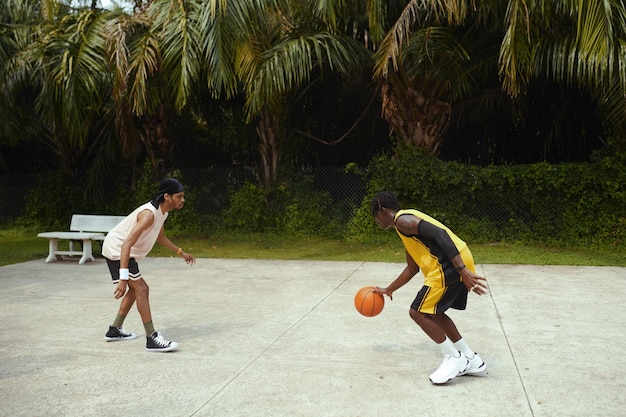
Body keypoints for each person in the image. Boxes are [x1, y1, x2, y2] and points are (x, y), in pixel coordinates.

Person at [370, 191, 488, 384]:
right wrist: (389, 289)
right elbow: (412, 268)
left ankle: (454, 358)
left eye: (375, 215)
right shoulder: (404, 228)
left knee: (417, 312)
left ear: (382, 210)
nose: (376, 220)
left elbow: (440, 234)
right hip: (454, 261)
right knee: (434, 312)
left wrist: (462, 270)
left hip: (449, 265)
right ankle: (470, 358)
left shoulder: (403, 221)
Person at [102, 178, 196, 352]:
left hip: (124, 251)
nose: (183, 200)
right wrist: (122, 278)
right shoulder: (149, 214)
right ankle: (151, 338)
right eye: (179, 196)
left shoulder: (162, 213)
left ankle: (114, 330)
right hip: (118, 249)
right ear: (167, 196)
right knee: (142, 289)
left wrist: (180, 252)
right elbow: (126, 244)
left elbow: (160, 237)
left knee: (136, 290)